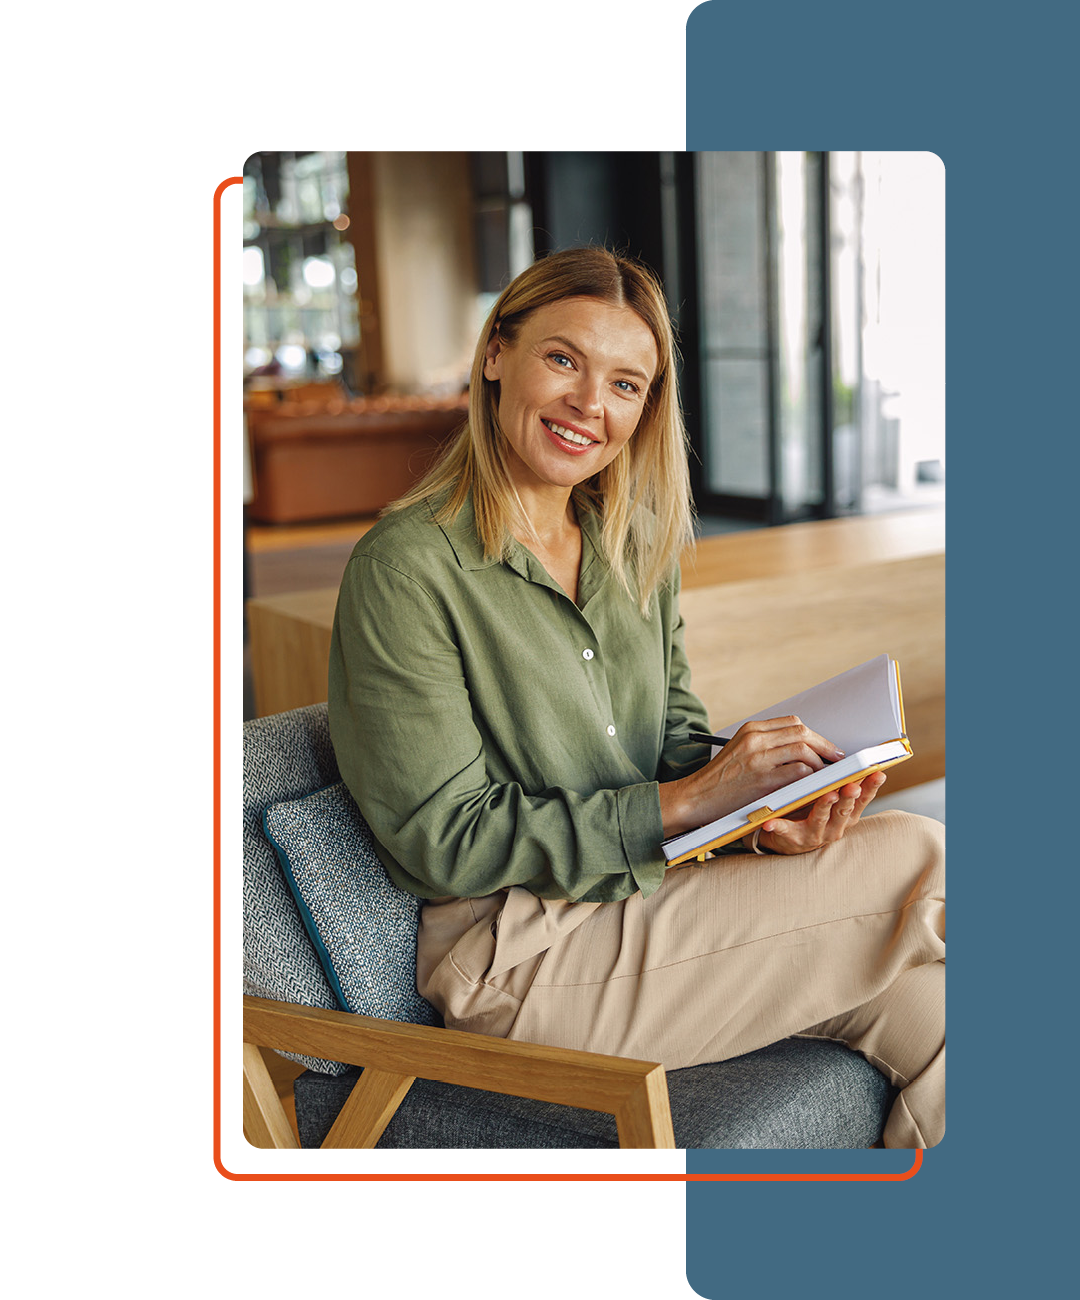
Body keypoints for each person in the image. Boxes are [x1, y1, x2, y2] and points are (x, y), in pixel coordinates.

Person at [328, 246, 944, 1149]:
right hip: (519, 958)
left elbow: (678, 741)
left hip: (660, 904)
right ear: (497, 353)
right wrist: (688, 801)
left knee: (938, 1014)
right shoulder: (407, 569)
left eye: (627, 384)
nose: (590, 405)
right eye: (564, 359)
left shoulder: (627, 546)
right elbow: (442, 842)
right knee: (919, 855)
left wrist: (763, 812)